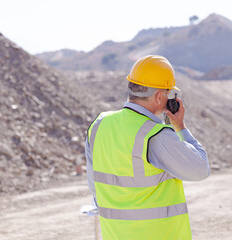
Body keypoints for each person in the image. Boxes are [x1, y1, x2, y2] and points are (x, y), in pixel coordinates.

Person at [85, 55, 210, 240]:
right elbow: (201, 169)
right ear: (160, 96)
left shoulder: (99, 125)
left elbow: (95, 186)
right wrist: (180, 127)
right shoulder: (155, 135)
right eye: (168, 93)